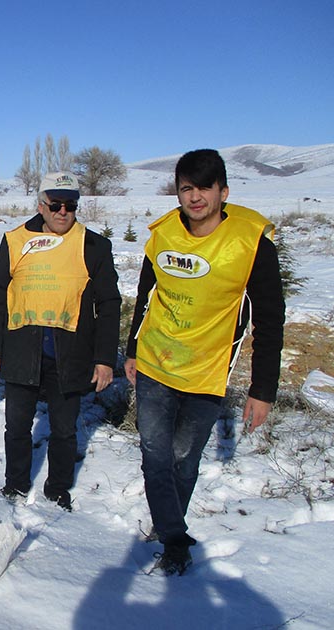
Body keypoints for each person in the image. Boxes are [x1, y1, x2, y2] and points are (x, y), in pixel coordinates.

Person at [124, 149, 285, 575]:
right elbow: (145, 296)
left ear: (223, 191)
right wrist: (132, 350)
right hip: (157, 362)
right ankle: (174, 538)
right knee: (155, 453)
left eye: (204, 188)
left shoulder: (251, 245)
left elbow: (270, 321)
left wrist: (262, 390)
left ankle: (166, 522)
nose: (195, 197)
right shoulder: (162, 235)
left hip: (207, 372)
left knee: (183, 459)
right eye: (186, 188)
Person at [0, 172, 121, 509]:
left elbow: (109, 303)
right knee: (16, 425)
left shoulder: (94, 245)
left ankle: (57, 489)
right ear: (41, 205)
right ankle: (14, 484)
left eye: (70, 205)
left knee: (63, 428)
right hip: (21, 348)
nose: (62, 212)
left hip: (69, 353)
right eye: (55, 205)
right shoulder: (15, 240)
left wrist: (104, 359)